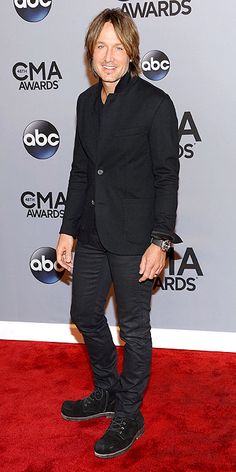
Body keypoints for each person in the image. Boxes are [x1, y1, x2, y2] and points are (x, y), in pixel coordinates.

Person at [56, 8, 181, 459]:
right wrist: (68, 230)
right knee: (85, 314)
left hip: (135, 238)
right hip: (90, 232)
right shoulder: (84, 103)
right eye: (101, 46)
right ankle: (107, 390)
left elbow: (167, 176)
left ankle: (129, 411)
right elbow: (80, 171)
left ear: (131, 53)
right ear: (91, 52)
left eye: (118, 47)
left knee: (134, 329)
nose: (109, 56)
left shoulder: (154, 103)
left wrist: (161, 240)